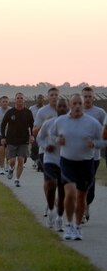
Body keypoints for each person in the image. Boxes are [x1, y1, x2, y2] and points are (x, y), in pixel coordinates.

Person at [51, 93, 102, 241]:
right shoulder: (61, 121)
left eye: (80, 103)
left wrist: (95, 144)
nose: (78, 106)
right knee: (71, 193)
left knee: (81, 197)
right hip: (67, 162)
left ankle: (78, 227)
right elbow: (50, 136)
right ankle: (69, 225)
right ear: (70, 105)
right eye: (75, 104)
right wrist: (57, 140)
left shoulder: (92, 123)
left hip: (86, 163)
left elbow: (103, 141)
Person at [37, 98, 69, 230]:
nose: (61, 108)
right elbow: (40, 137)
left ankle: (60, 217)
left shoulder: (71, 124)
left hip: (66, 160)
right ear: (56, 109)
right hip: (50, 159)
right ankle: (51, 210)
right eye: (59, 106)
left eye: (64, 106)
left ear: (68, 108)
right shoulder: (49, 123)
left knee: (62, 191)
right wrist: (45, 146)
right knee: (51, 184)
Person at [33, 87, 59, 215]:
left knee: (62, 180)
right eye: (51, 95)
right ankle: (50, 204)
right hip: (45, 150)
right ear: (48, 97)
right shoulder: (42, 112)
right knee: (48, 181)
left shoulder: (64, 110)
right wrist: (44, 123)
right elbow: (34, 131)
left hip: (62, 152)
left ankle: (57, 200)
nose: (54, 97)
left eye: (56, 95)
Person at [82, 86, 106, 221]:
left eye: (90, 96)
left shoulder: (100, 113)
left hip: (94, 155)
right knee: (78, 182)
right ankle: (81, 208)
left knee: (89, 183)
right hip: (76, 155)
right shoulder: (75, 112)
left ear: (94, 97)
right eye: (85, 96)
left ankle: (86, 204)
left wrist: (95, 143)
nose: (87, 99)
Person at [1, 93, 34, 187]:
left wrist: (31, 135)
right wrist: (3, 137)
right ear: (15, 100)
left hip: (23, 140)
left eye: (21, 98)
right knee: (12, 161)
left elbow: (32, 125)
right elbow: (3, 124)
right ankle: (11, 169)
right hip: (11, 139)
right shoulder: (10, 112)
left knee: (21, 160)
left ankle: (17, 179)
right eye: (18, 98)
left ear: (24, 100)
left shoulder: (28, 112)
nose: (19, 100)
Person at [29, 94, 44, 171]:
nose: (40, 100)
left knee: (40, 147)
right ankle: (35, 159)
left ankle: (39, 163)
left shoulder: (45, 109)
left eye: (41, 98)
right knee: (34, 147)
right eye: (39, 98)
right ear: (36, 99)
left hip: (43, 131)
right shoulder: (32, 108)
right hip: (34, 130)